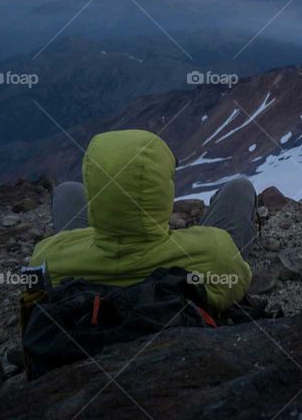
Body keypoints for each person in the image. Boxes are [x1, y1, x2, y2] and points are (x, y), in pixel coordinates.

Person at [30, 129, 255, 314]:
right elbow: (236, 283)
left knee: (67, 191)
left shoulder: (45, 260)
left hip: (88, 274)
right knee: (239, 188)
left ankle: (111, 210)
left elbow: (34, 297)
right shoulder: (217, 253)